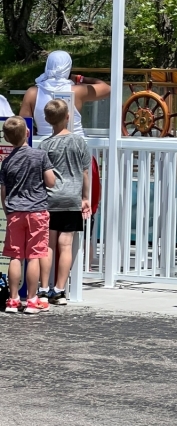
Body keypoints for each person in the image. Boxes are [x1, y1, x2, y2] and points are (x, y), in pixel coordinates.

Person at [38, 99, 92, 306]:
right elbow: (85, 172)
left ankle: (44, 288)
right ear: (68, 117)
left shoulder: (45, 145)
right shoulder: (79, 142)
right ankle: (60, 290)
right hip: (71, 198)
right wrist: (85, 197)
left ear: (47, 120)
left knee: (47, 246)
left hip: (50, 199)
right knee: (66, 245)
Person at [0, 116, 56, 314]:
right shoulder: (40, 156)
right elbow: (51, 182)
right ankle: (32, 300)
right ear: (27, 133)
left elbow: (3, 192)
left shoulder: (6, 162)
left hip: (15, 212)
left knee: (15, 256)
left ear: (7, 138)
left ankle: (13, 300)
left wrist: (8, 211)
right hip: (37, 211)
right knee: (34, 257)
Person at [19, 50, 111, 136]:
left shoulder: (32, 93)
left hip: (45, 143)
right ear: (68, 68)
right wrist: (80, 79)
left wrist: (39, 130)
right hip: (75, 142)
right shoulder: (78, 91)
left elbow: (24, 126)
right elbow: (108, 89)